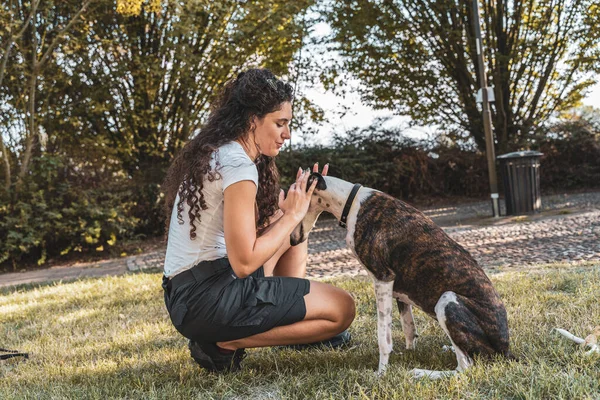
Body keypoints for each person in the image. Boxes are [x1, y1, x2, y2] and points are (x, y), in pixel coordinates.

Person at [161, 68, 356, 373]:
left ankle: (287, 322)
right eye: (280, 124)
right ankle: (222, 344)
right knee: (343, 309)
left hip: (189, 294)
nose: (287, 135)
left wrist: (295, 211)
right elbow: (244, 262)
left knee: (283, 222)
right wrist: (293, 215)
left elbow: (258, 237)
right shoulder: (238, 165)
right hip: (206, 300)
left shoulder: (219, 154)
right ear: (253, 120)